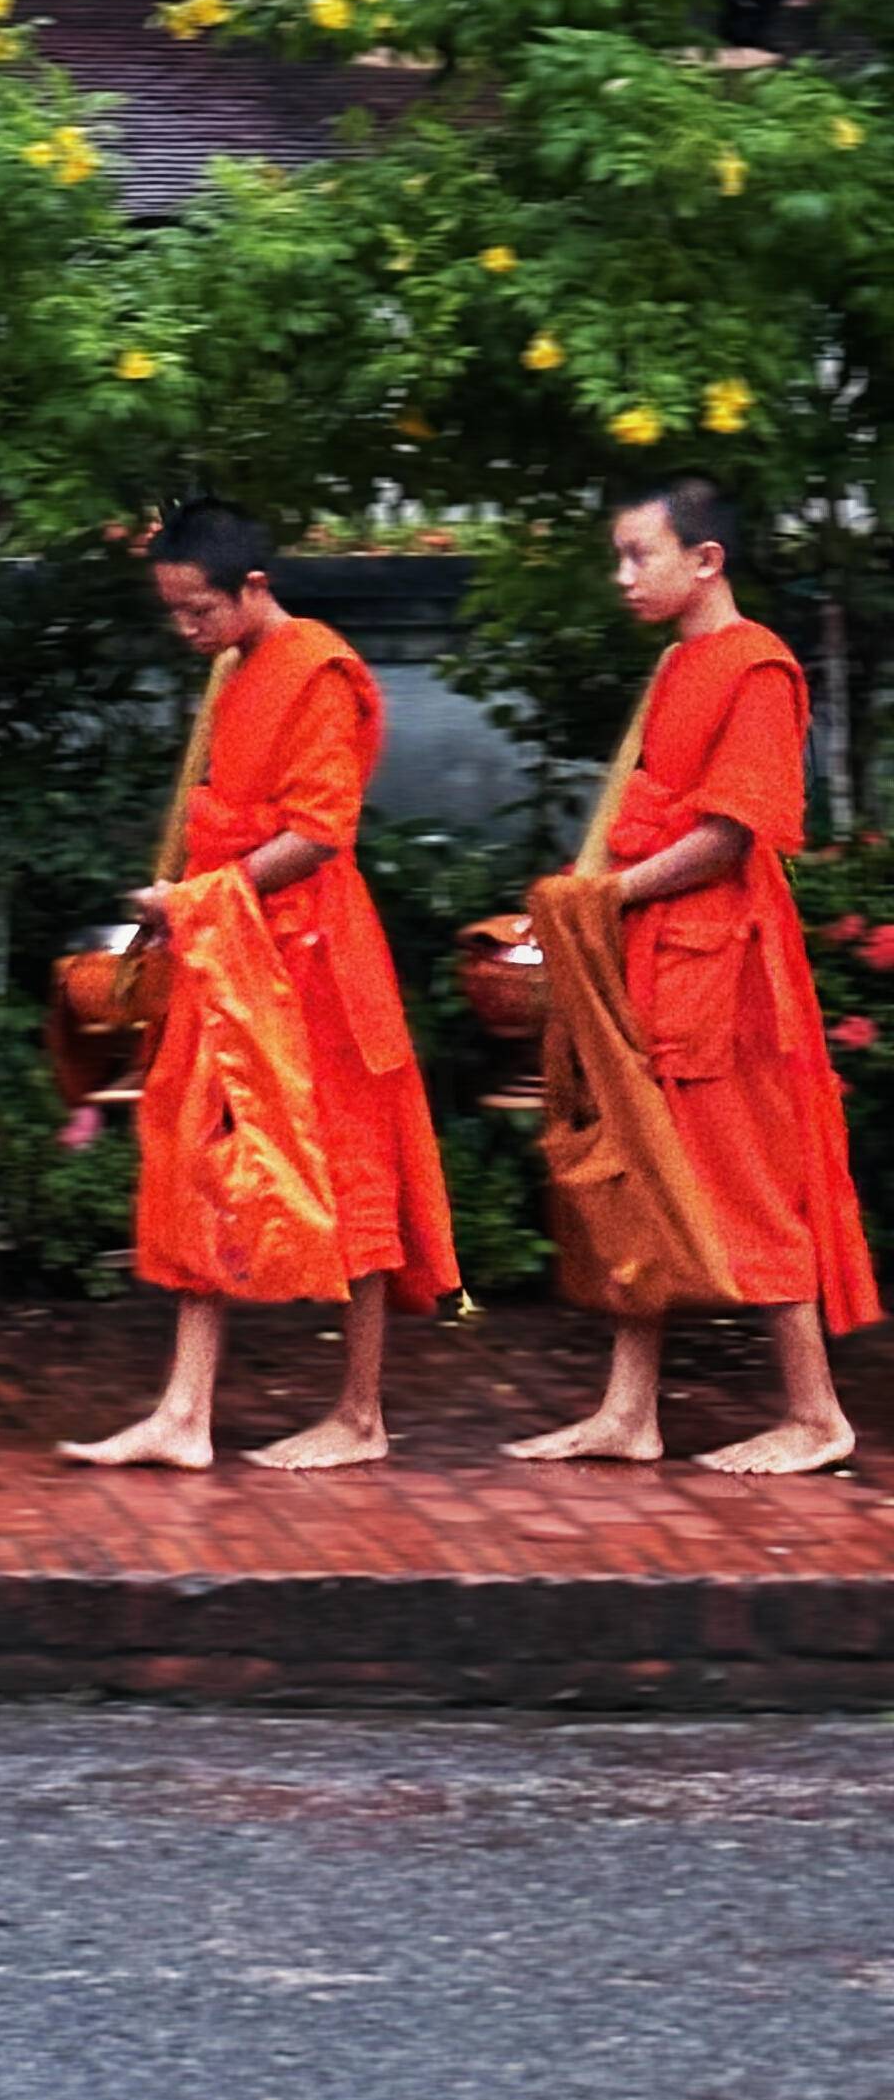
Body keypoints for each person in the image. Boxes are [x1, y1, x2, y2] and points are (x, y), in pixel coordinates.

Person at [63, 497, 457, 1475]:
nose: (187, 629)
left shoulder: (317, 668)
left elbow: (320, 833)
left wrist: (197, 897)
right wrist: (193, 908)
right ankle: (184, 1412)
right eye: (174, 612)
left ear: (252, 587)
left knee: (351, 1171)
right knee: (197, 1155)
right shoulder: (234, 672)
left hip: (313, 957)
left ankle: (361, 1416)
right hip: (229, 953)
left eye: (199, 609)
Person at [509, 475, 881, 1475]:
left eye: (641, 555)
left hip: (727, 969)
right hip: (658, 957)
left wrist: (607, 897)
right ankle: (630, 1411)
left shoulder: (758, 667)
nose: (623, 576)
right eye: (620, 557)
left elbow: (726, 836)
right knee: (646, 1174)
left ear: (705, 560)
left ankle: (815, 1415)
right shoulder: (681, 667)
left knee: (747, 1179)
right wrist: (600, 906)